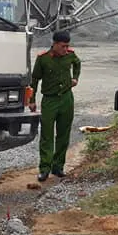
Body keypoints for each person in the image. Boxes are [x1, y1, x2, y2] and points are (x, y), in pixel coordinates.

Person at [29, 30, 81, 182]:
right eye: (63, 46)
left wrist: (75, 78)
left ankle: (58, 167)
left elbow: (77, 64)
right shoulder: (43, 59)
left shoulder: (70, 55)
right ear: (55, 44)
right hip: (50, 100)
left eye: (67, 46)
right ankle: (44, 168)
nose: (65, 49)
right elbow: (34, 80)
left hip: (66, 98)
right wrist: (31, 100)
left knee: (63, 134)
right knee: (47, 135)